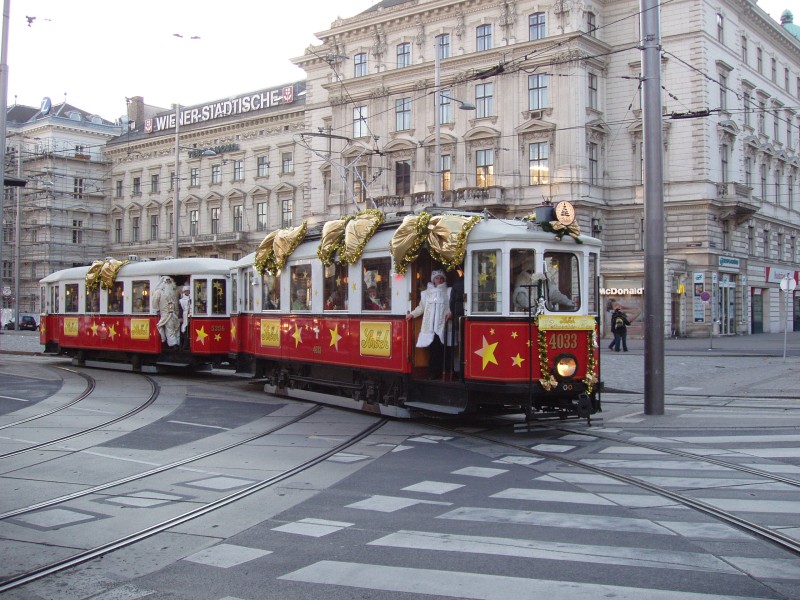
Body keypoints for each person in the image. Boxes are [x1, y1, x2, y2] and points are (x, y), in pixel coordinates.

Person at [406, 270, 451, 379]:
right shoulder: (426, 293)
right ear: (433, 280)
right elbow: (421, 307)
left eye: (441, 278)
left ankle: (445, 373)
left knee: (445, 351)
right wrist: (412, 314)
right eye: (437, 278)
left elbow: (451, 306)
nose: (439, 280)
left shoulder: (449, 292)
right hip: (430, 327)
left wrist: (451, 312)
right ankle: (433, 373)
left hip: (443, 326)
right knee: (433, 351)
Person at [152, 275, 180, 349]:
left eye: (170, 281)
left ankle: (177, 342)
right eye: (167, 281)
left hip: (174, 314)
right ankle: (173, 344)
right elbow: (155, 301)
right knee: (169, 328)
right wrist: (157, 309)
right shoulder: (159, 292)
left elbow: (177, 302)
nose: (168, 282)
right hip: (165, 314)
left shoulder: (175, 291)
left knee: (176, 328)